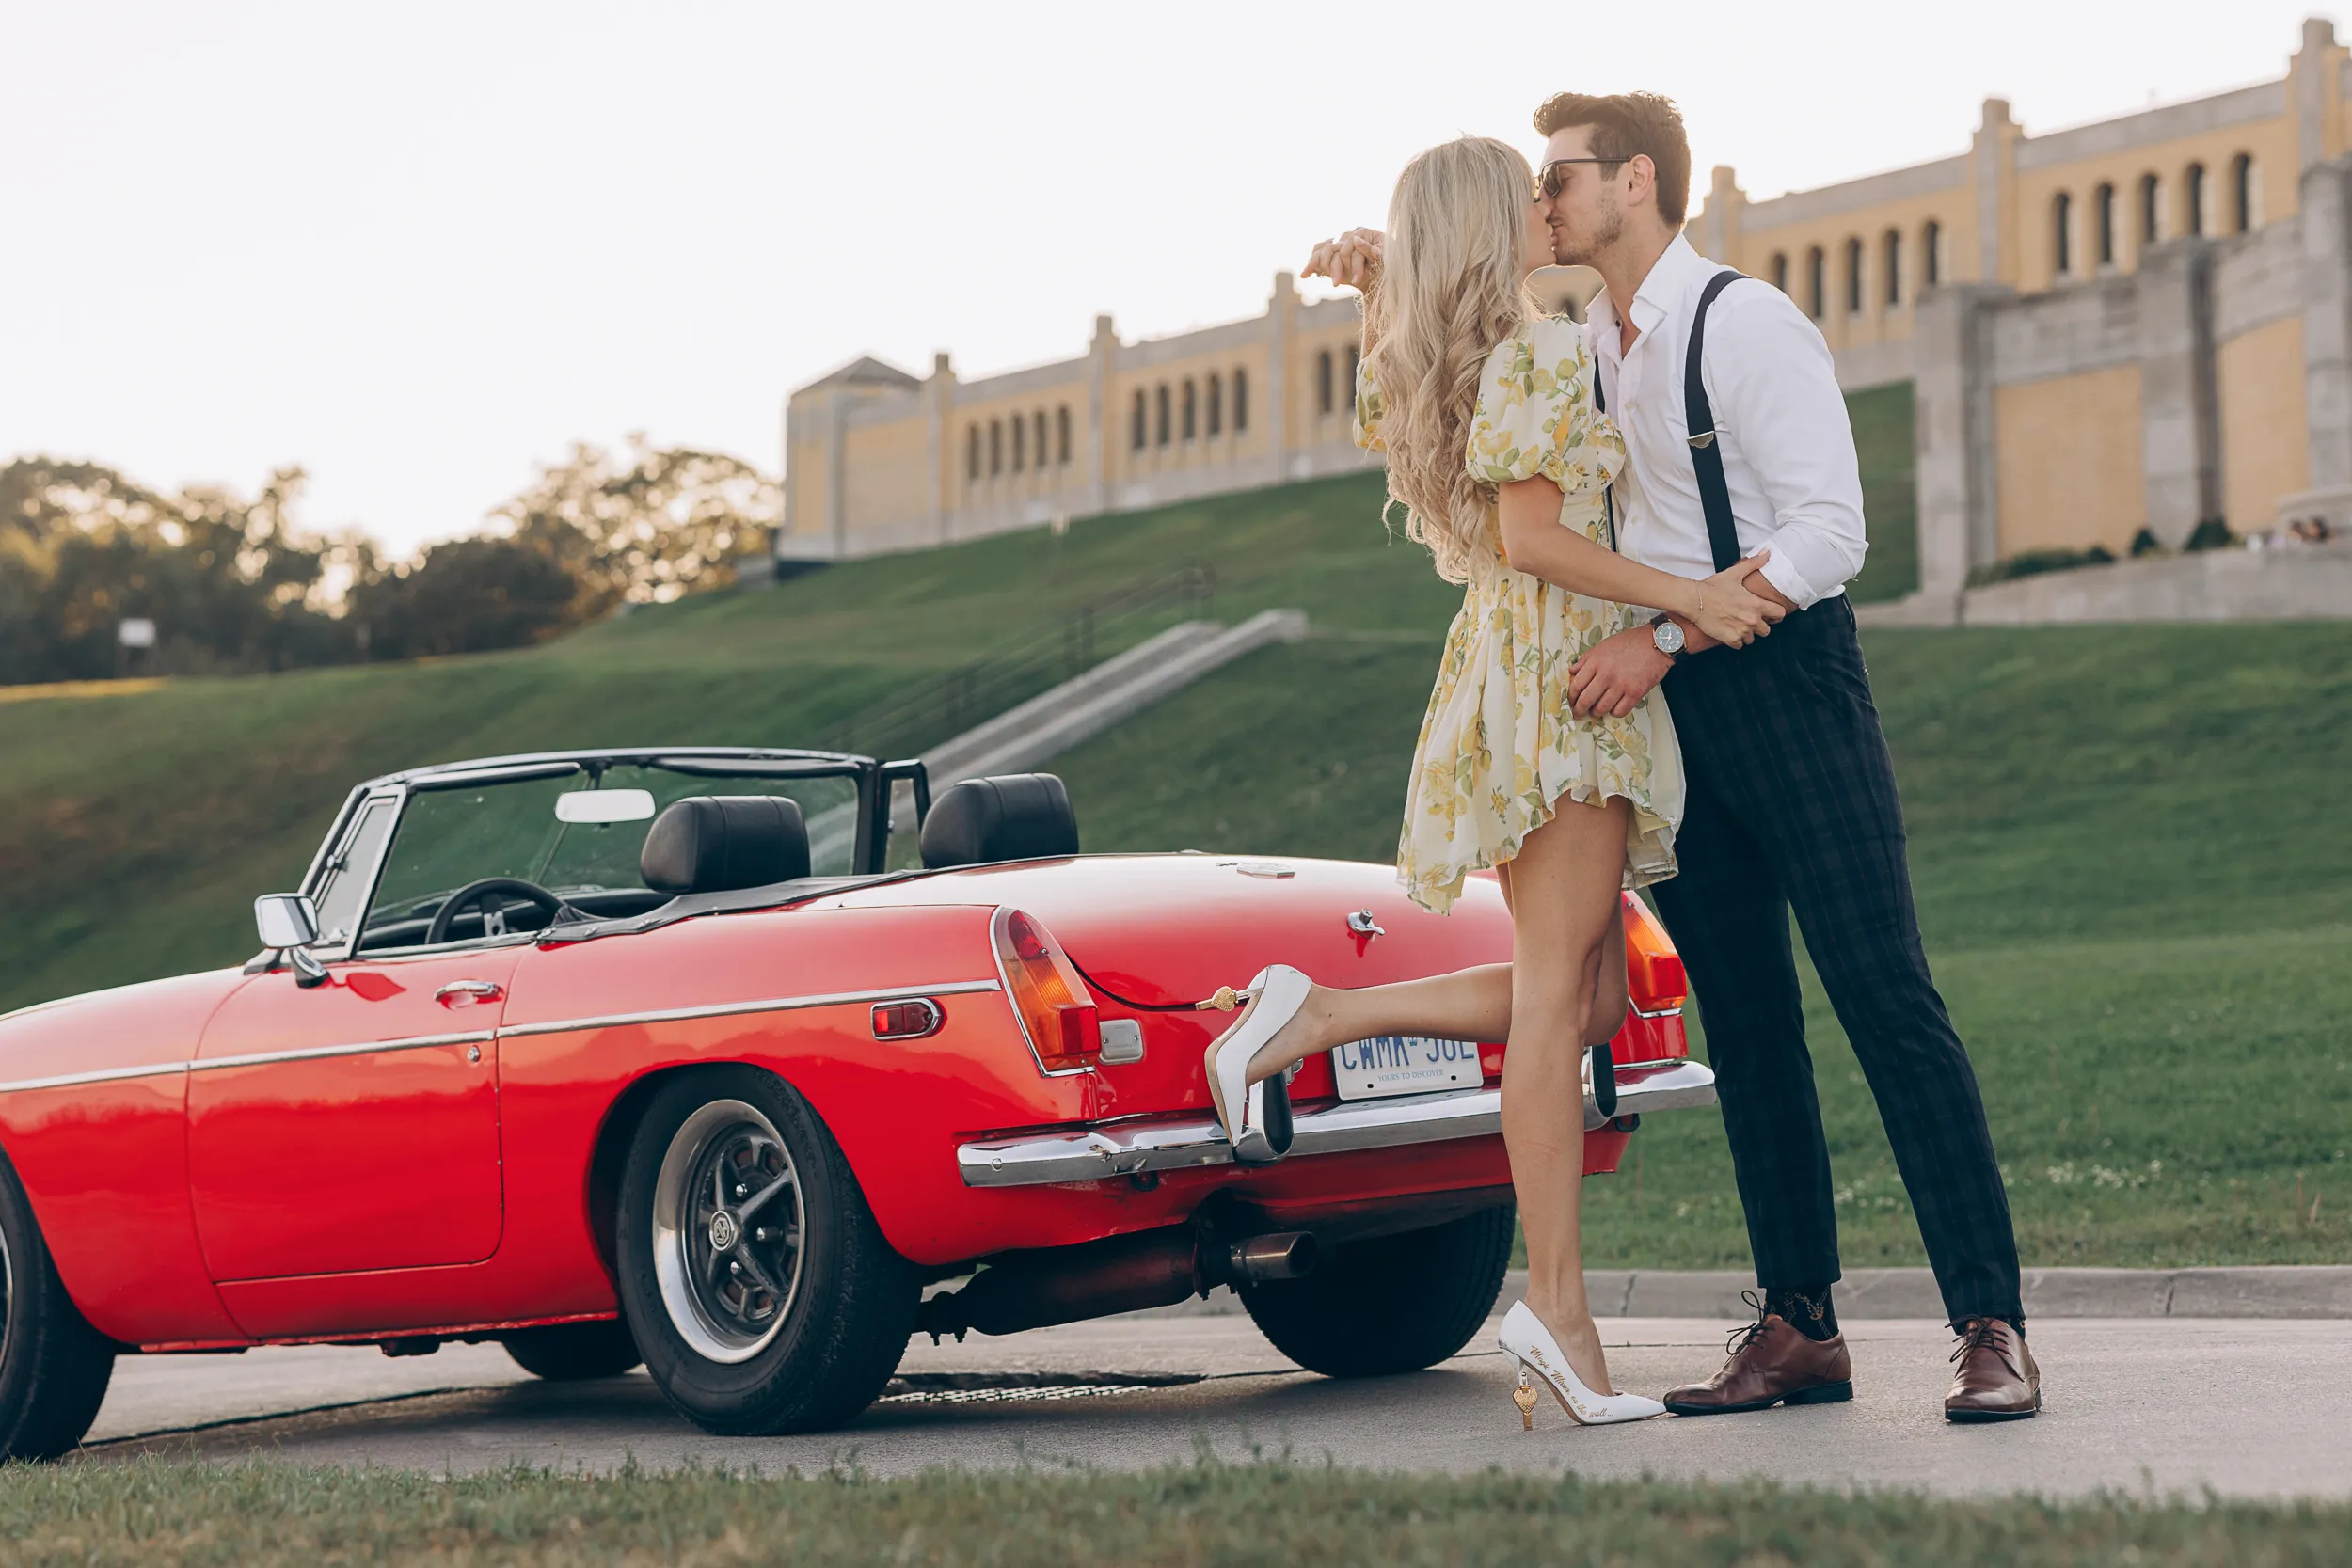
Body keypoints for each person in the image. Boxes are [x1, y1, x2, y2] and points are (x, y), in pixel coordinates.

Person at [1201, 134, 1786, 1431]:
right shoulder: (1535, 349)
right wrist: (1686, 596)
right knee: (1554, 1009)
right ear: (1485, 226)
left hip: (1506, 677)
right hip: (1562, 679)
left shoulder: (1450, 356)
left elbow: (1497, 508)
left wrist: (1376, 286)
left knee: (1577, 1000)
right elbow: (1533, 533)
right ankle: (1563, 1314)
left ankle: (1315, 1018)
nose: (1547, 203)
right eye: (1524, 192)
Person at [1531, 90, 2038, 1422]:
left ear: (1636, 181)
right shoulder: (1581, 340)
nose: (1546, 201)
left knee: (1885, 996)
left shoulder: (1744, 322)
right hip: (1678, 717)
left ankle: (1992, 1323)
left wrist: (1661, 634)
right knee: (1749, 1029)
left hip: (1789, 681)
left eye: (1562, 177)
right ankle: (1798, 1324)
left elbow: (1830, 531)